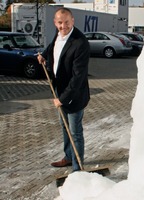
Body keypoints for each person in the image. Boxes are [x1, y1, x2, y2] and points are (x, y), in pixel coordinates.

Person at [37, 7, 90, 172]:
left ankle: (77, 168)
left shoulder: (80, 42)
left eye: (67, 22)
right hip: (59, 90)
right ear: (55, 23)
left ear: (72, 21)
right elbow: (53, 46)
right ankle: (68, 157)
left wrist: (62, 99)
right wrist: (44, 55)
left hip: (74, 94)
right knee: (64, 126)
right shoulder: (58, 35)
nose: (63, 26)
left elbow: (78, 77)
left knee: (75, 132)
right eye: (60, 22)